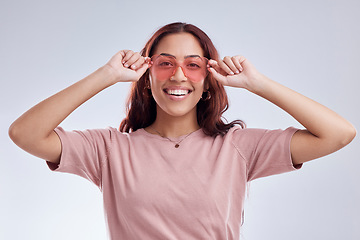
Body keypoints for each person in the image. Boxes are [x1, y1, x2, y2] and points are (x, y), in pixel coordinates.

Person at [9, 22, 356, 239]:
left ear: (208, 81)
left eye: (193, 65)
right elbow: (25, 133)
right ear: (147, 78)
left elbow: (339, 134)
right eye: (165, 64)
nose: (178, 75)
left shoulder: (237, 147)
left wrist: (257, 83)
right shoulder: (109, 150)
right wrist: (106, 75)